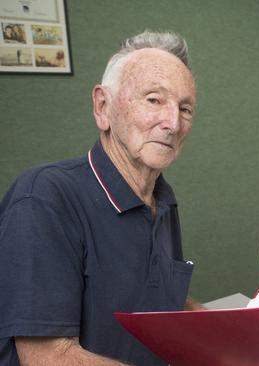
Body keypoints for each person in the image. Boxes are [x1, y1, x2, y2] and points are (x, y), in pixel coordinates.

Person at [0, 30, 202, 365]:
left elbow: (161, 298)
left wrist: (236, 336)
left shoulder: (162, 198)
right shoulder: (44, 198)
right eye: (154, 100)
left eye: (185, 108)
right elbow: (48, 357)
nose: (172, 122)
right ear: (102, 107)